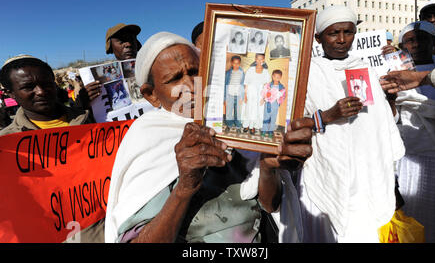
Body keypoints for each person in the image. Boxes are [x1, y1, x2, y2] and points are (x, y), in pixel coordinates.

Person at [104, 32, 314, 243]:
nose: (190, 86)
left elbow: (270, 205)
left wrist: (268, 167)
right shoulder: (147, 137)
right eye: (174, 79)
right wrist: (184, 188)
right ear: (151, 94)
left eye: (195, 72)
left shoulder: (237, 121)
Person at [298, 5, 405, 243]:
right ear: (318, 38)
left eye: (348, 32)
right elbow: (293, 124)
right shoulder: (307, 73)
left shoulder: (365, 67)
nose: (342, 40)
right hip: (325, 170)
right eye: (333, 33)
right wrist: (328, 116)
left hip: (367, 173)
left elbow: (381, 123)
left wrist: (390, 100)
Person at [381, 21, 435, 242]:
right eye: (411, 40)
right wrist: (391, 99)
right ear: (404, 45)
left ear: (433, 42)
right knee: (414, 218)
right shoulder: (393, 73)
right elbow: (390, 119)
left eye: (423, 39)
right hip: (409, 156)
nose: (417, 44)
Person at [0, 55, 93, 136]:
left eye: (46, 84)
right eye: (28, 87)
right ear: (11, 93)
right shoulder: (6, 142)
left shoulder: (89, 119)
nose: (41, 92)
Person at [241, 54, 270, 135]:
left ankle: (253, 126)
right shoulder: (250, 70)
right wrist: (245, 95)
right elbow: (246, 83)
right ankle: (246, 125)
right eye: (258, 59)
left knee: (257, 111)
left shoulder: (265, 72)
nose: (259, 61)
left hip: (260, 94)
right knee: (248, 109)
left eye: (261, 59)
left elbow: (267, 86)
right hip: (250, 93)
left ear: (264, 60)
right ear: (255, 59)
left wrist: (263, 98)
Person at [261, 70, 286, 138]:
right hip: (268, 104)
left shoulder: (281, 87)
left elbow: (283, 96)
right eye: (274, 77)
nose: (276, 78)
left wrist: (279, 101)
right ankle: (264, 130)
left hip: (275, 104)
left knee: (273, 118)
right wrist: (264, 98)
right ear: (272, 76)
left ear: (280, 78)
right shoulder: (269, 85)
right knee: (266, 117)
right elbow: (264, 93)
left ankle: (270, 131)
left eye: (278, 77)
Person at [224, 56, 245, 132]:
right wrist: (225, 98)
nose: (236, 65)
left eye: (238, 63)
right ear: (231, 63)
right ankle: (229, 125)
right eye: (234, 63)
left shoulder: (242, 72)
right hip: (229, 94)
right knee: (229, 111)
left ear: (240, 64)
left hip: (238, 95)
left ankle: (238, 126)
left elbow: (242, 85)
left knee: (238, 112)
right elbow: (225, 85)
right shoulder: (228, 73)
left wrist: (242, 97)